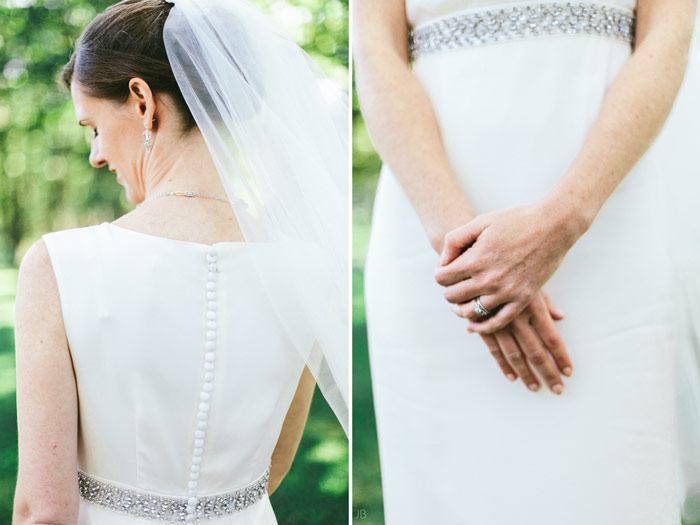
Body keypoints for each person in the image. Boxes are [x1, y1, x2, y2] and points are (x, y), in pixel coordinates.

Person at [355, 0, 699, 523]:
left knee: (610, 476)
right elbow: (375, 50)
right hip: (434, 210)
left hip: (609, 209)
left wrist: (565, 219)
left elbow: (667, 40)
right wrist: (467, 257)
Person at [12, 0, 348, 523]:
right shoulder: (308, 268)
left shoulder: (59, 265)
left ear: (143, 101)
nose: (96, 155)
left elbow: (46, 510)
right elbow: (272, 470)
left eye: (93, 127)